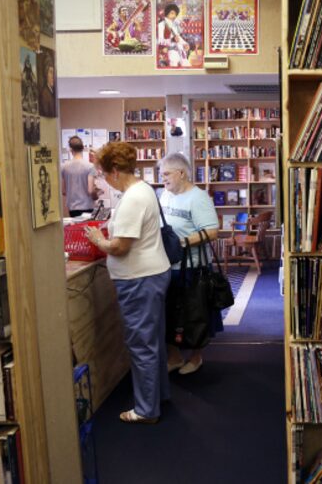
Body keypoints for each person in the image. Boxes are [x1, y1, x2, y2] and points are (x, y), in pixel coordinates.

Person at [84, 142, 171, 424]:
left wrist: (99, 240)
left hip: (138, 279)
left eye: (104, 173)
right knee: (152, 340)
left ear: (117, 170)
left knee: (141, 344)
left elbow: (121, 247)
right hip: (151, 273)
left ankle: (146, 410)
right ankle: (158, 396)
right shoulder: (144, 190)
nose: (103, 179)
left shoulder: (132, 198)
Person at [158, 153, 221, 375]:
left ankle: (195, 358)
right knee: (170, 314)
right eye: (161, 173)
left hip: (192, 266)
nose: (162, 178)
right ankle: (174, 357)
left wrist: (181, 243)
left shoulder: (198, 198)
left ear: (181, 173)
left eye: (166, 174)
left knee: (194, 314)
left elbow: (212, 231)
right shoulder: (164, 195)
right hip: (167, 265)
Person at [61, 136, 98, 217]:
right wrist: (96, 196)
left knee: (75, 229)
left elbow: (63, 191)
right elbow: (91, 191)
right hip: (88, 207)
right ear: (82, 148)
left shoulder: (64, 167)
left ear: (70, 149)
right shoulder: (90, 166)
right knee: (87, 229)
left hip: (72, 208)